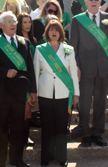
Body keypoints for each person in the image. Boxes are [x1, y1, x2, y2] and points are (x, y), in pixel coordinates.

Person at [0, 11, 37, 167]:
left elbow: (30, 68)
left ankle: (16, 159)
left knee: (18, 129)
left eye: (14, 21)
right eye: (9, 21)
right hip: (1, 94)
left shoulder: (24, 42)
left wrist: (32, 90)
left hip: (19, 94)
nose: (13, 24)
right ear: (1, 25)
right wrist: (4, 72)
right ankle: (0, 161)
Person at [69, 0, 108, 148]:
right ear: (85, 2)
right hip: (84, 69)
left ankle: (97, 133)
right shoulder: (77, 20)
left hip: (104, 69)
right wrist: (75, 66)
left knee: (100, 103)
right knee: (84, 103)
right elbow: (73, 47)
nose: (94, 2)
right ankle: (86, 134)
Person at [35, 19, 79, 167]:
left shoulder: (69, 50)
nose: (54, 32)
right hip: (44, 92)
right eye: (51, 30)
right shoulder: (40, 49)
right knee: (47, 126)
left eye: (57, 30)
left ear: (61, 33)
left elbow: (73, 74)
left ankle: (62, 157)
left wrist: (76, 94)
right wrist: (33, 92)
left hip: (63, 93)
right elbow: (36, 72)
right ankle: (45, 157)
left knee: (61, 127)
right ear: (47, 32)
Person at [16, 12, 37, 147]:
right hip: (21, 80)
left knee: (29, 108)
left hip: (33, 77)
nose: (28, 24)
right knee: (23, 109)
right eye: (25, 22)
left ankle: (26, 136)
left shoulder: (34, 40)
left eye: (29, 22)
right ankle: (20, 137)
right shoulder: (17, 41)